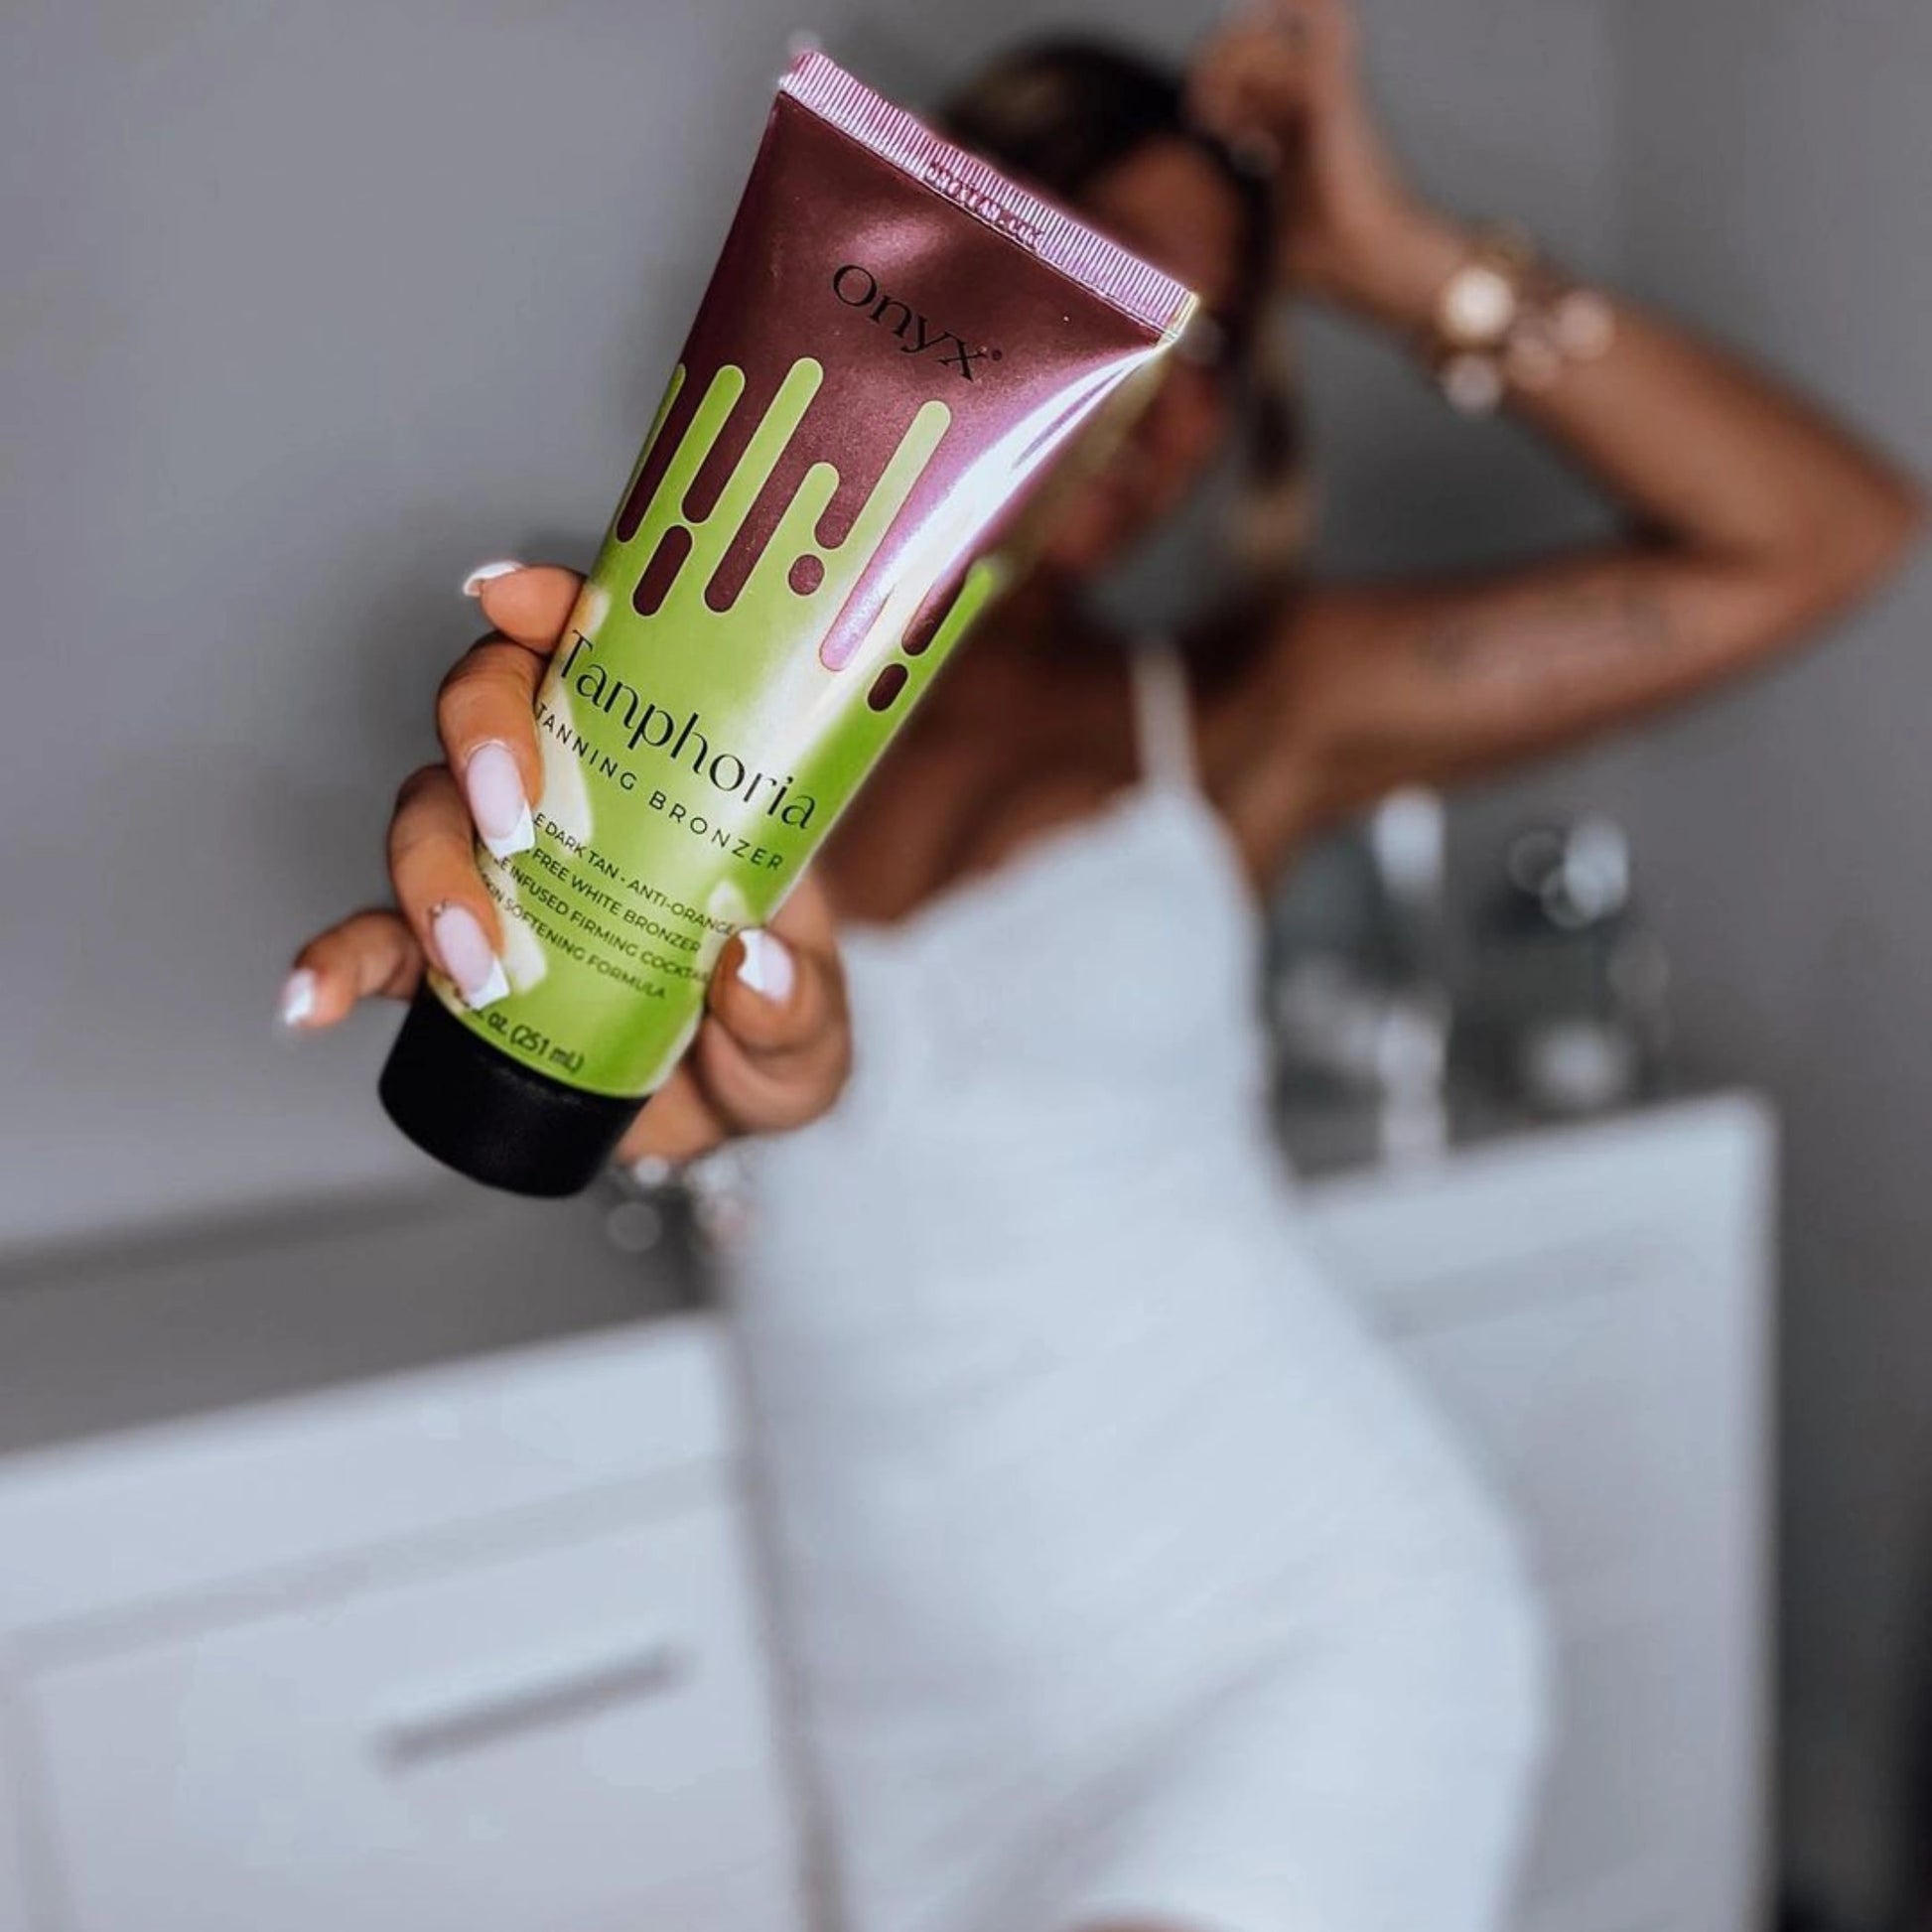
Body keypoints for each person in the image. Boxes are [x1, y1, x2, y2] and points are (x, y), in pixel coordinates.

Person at [284, 5, 1922, 1929]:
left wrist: (1388, 257)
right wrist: (592, 1048)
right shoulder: (676, 679)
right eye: (1117, 294)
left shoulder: (1235, 710)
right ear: (947, 273)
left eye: (1218, 348)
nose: (1176, 402)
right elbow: (712, 1117)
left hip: (1295, 1632)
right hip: (919, 1747)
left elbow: (1823, 534)